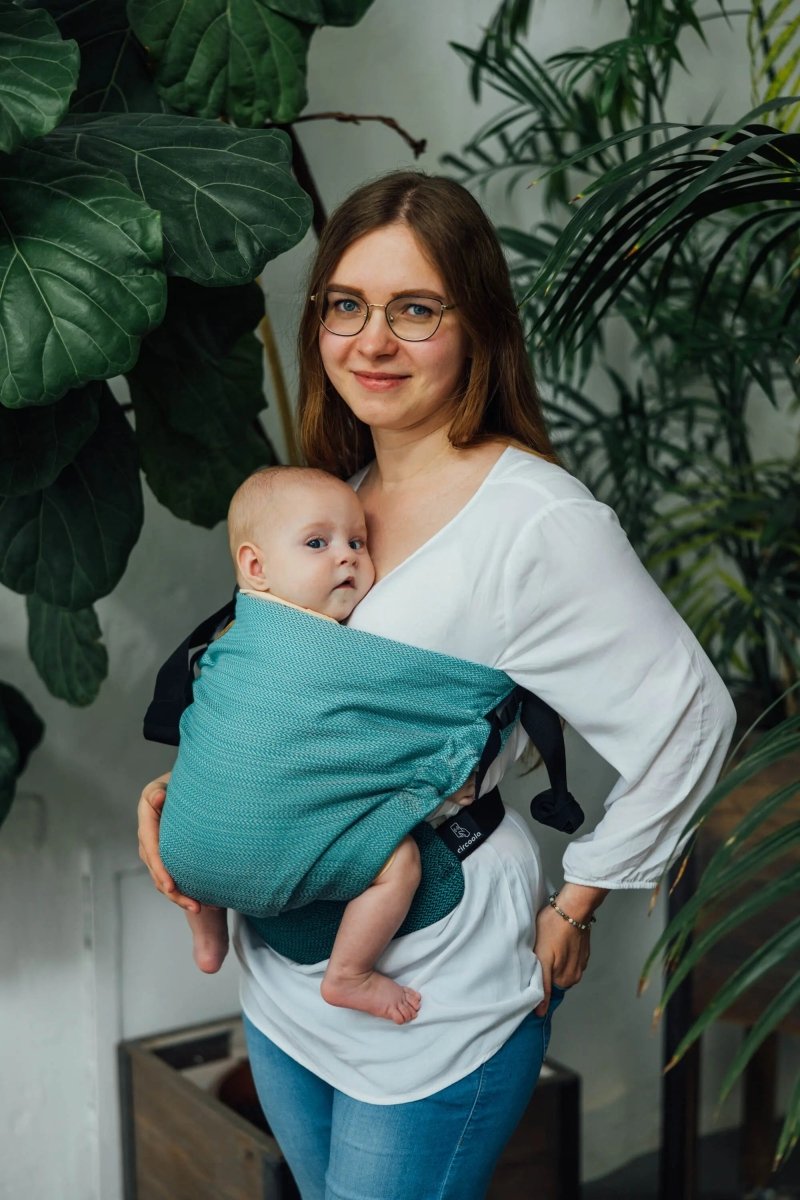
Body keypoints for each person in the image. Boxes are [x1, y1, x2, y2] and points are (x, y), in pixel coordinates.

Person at [138, 171, 736, 1200]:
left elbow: (691, 720)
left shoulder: (535, 523)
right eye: (347, 305)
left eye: (414, 309)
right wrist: (183, 793)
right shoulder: (333, 495)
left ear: (479, 327)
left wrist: (578, 902)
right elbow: (282, 702)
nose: (372, 342)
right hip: (281, 977)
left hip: (434, 981)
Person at [169, 463, 476, 1025]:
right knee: (400, 863)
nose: (347, 557)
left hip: (182, 851)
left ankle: (208, 938)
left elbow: (206, 724)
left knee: (201, 795)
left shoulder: (228, 640)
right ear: (255, 567)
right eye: (318, 543)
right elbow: (374, 734)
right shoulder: (328, 652)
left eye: (358, 542)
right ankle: (350, 974)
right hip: (269, 861)